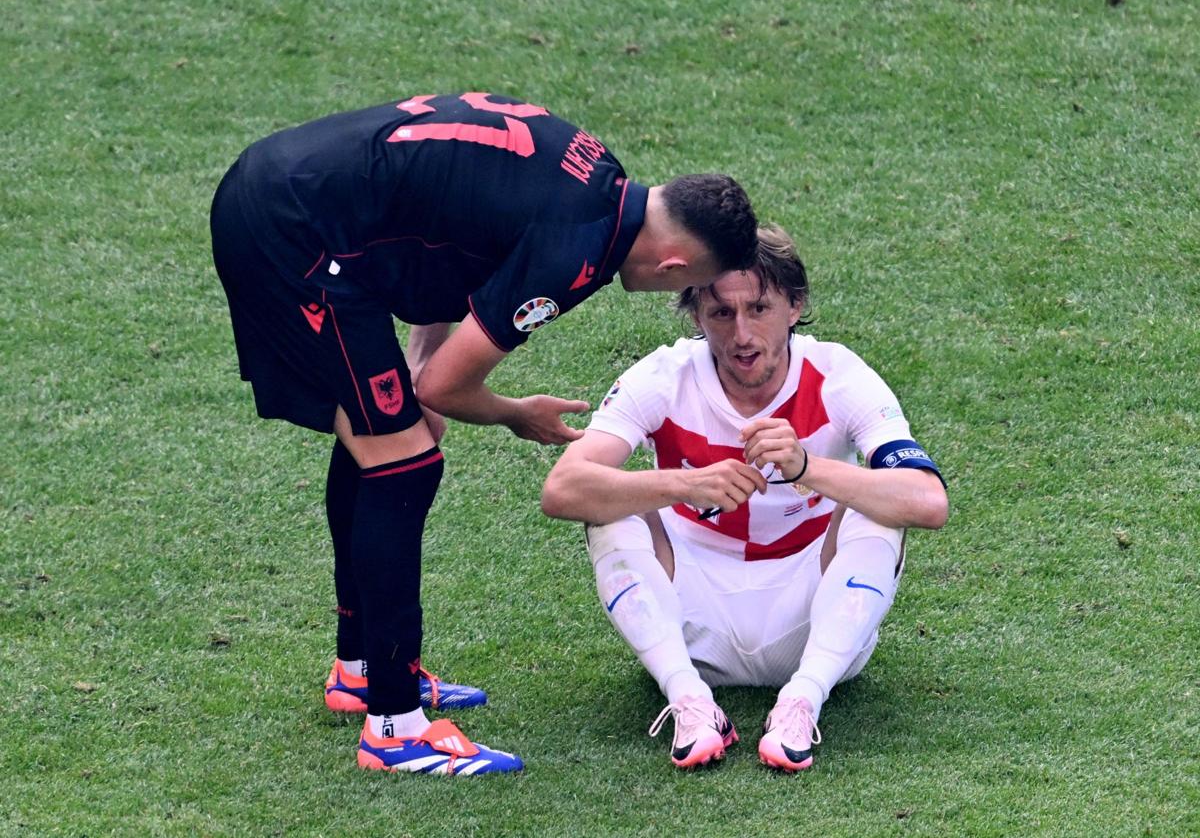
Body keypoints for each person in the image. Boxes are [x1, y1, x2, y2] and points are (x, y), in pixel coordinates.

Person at [209, 92, 758, 775]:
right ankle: (395, 728)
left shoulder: (598, 175)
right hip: (294, 234)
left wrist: (419, 352)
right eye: (691, 289)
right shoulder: (577, 253)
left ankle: (361, 670)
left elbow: (442, 233)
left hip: (293, 197)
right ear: (673, 267)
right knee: (404, 462)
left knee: (382, 437)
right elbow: (447, 388)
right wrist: (514, 414)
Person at [541, 224, 948, 771]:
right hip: (691, 626)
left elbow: (928, 501)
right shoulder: (664, 376)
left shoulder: (838, 375)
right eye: (721, 314)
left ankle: (802, 700)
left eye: (759, 309)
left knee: (880, 505)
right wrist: (685, 484)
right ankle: (690, 702)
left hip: (813, 621)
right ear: (696, 317)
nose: (742, 335)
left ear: (795, 306)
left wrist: (807, 465)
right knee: (609, 505)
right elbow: (563, 489)